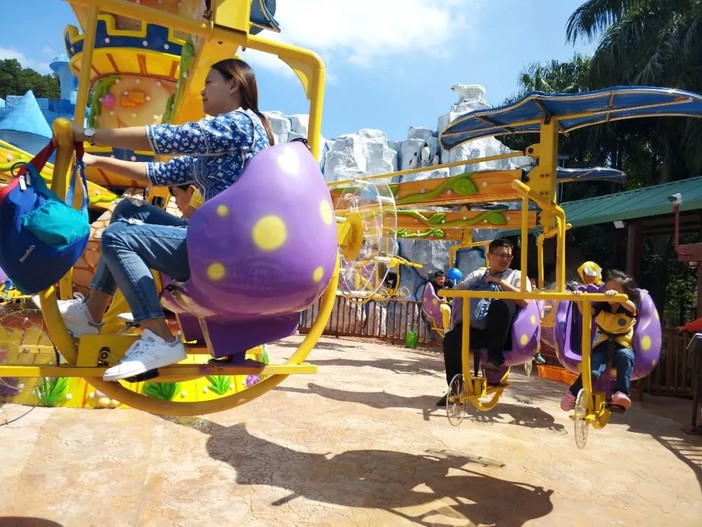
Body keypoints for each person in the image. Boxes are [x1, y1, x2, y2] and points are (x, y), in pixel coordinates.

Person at [42, 58, 274, 382]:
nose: (204, 92)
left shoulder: (241, 125)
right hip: (211, 240)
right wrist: (94, 159)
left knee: (118, 237)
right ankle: (92, 312)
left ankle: (158, 336)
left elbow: (166, 138)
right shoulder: (218, 147)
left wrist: (89, 133)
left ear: (233, 84)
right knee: (126, 210)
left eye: (209, 83)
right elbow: (158, 172)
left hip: (224, 250)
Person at [437, 238, 530, 406]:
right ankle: (456, 387)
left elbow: (525, 300)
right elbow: (464, 285)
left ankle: (495, 358)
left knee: (500, 304)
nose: (504, 260)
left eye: (508, 257)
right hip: (478, 330)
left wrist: (499, 282)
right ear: (489, 256)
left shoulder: (516, 276)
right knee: (451, 340)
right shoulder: (478, 275)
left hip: (505, 334)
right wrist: (452, 290)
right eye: (500, 255)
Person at [560, 269, 640, 411]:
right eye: (607, 289)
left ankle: (620, 393)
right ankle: (572, 393)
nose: (609, 293)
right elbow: (586, 312)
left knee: (626, 356)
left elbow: (632, 308)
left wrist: (620, 298)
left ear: (625, 293)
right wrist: (580, 300)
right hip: (602, 343)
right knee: (593, 371)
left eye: (614, 290)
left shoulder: (628, 305)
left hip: (623, 343)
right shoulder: (603, 304)